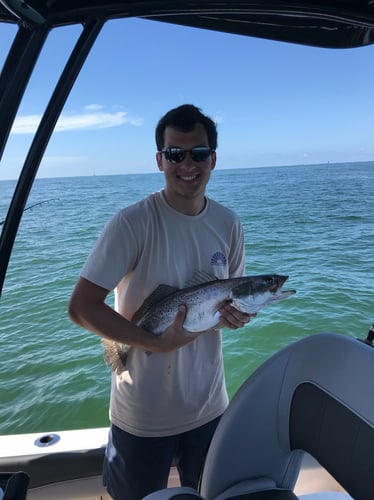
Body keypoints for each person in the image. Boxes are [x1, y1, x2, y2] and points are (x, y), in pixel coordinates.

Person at [68, 104, 254, 500]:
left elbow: (222, 307)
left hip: (209, 407)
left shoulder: (228, 223)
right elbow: (82, 308)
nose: (188, 164)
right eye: (175, 154)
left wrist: (234, 318)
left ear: (213, 159)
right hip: (142, 417)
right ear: (160, 160)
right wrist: (154, 343)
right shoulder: (132, 222)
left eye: (199, 153)